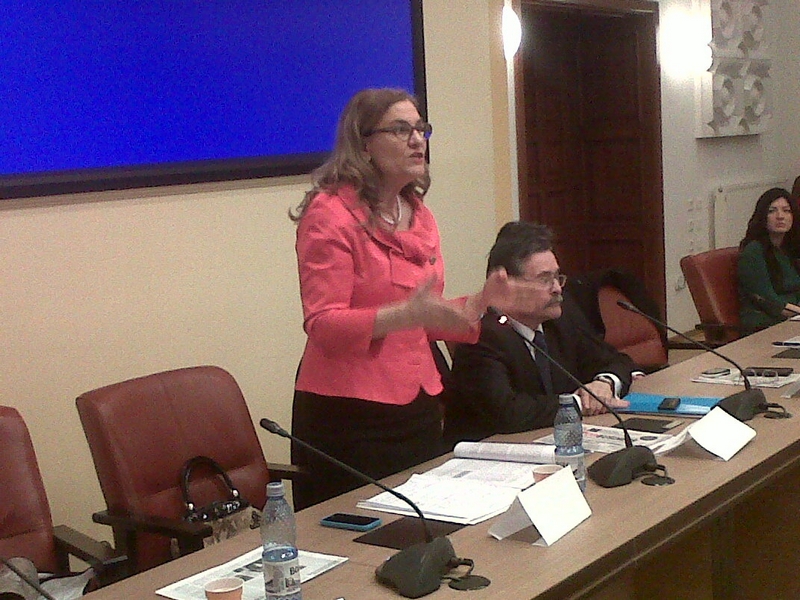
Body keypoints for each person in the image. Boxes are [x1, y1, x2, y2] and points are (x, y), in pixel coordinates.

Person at [289, 88, 510, 510]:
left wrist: (480, 302)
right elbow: (323, 324)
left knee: (425, 522)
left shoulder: (420, 215)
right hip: (351, 413)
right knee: (362, 537)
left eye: (421, 129)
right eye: (400, 129)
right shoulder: (330, 214)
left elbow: (425, 317)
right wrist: (405, 314)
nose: (416, 140)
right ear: (364, 145)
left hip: (418, 404)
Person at [443, 221, 637, 446]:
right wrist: (579, 402)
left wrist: (605, 383)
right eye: (545, 279)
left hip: (550, 443)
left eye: (557, 277)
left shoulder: (559, 320)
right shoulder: (481, 335)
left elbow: (617, 360)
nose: (557, 288)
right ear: (505, 284)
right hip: (489, 455)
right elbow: (507, 413)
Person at [738, 187, 800, 329]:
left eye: (786, 211)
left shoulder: (789, 249)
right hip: (764, 324)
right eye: (772, 211)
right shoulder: (753, 251)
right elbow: (771, 302)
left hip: (792, 320)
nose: (780, 216)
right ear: (762, 216)